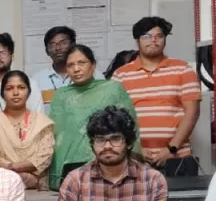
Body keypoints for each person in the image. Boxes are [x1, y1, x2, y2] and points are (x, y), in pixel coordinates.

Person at [111, 16, 202, 174]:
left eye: (159, 36)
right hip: (134, 157)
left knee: (180, 192)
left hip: (176, 157)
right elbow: (115, 117)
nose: (153, 40)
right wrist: (134, 148)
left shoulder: (183, 69)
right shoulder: (121, 75)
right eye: (147, 36)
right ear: (137, 41)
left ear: (165, 40)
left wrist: (172, 148)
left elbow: (192, 112)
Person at [47, 44, 139, 190]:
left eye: (81, 63)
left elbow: (131, 129)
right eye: (70, 65)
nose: (76, 69)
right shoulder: (61, 95)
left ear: (93, 65)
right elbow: (53, 134)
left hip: (108, 161)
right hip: (68, 166)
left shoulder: (113, 89)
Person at [0, 71, 55, 190]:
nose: (16, 93)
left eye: (21, 87)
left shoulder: (42, 122)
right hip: (1, 186)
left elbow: (45, 155)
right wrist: (18, 173)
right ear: (2, 93)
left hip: (37, 190)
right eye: (9, 88)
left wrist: (13, 167)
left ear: (29, 92)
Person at [32, 26, 103, 108]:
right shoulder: (37, 80)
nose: (58, 48)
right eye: (52, 45)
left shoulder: (94, 75)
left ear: (73, 45)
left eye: (63, 43)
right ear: (47, 51)